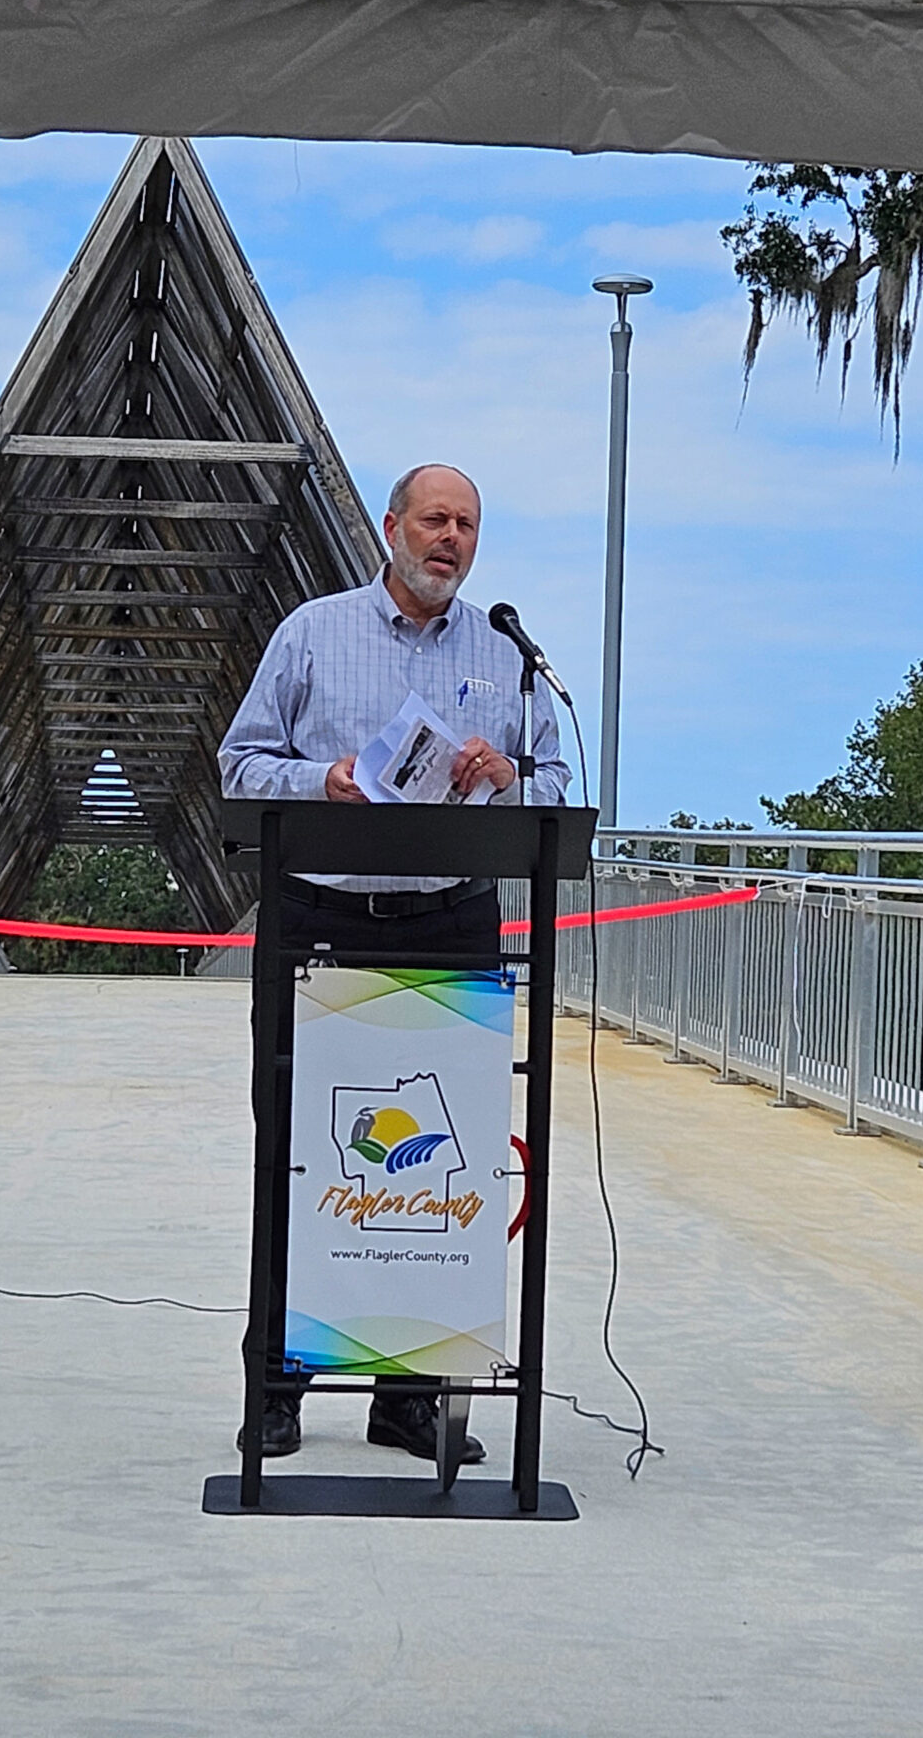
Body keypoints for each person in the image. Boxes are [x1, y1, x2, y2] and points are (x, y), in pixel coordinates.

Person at [217, 462, 571, 1463]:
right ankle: (279, 1386)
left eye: (466, 524)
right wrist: (323, 781)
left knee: (436, 1167)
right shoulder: (311, 634)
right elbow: (241, 762)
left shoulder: (508, 656)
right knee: (300, 1155)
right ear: (391, 528)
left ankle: (411, 1397)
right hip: (319, 923)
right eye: (434, 520)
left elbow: (552, 784)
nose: (449, 539)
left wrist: (510, 779)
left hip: (450, 925)